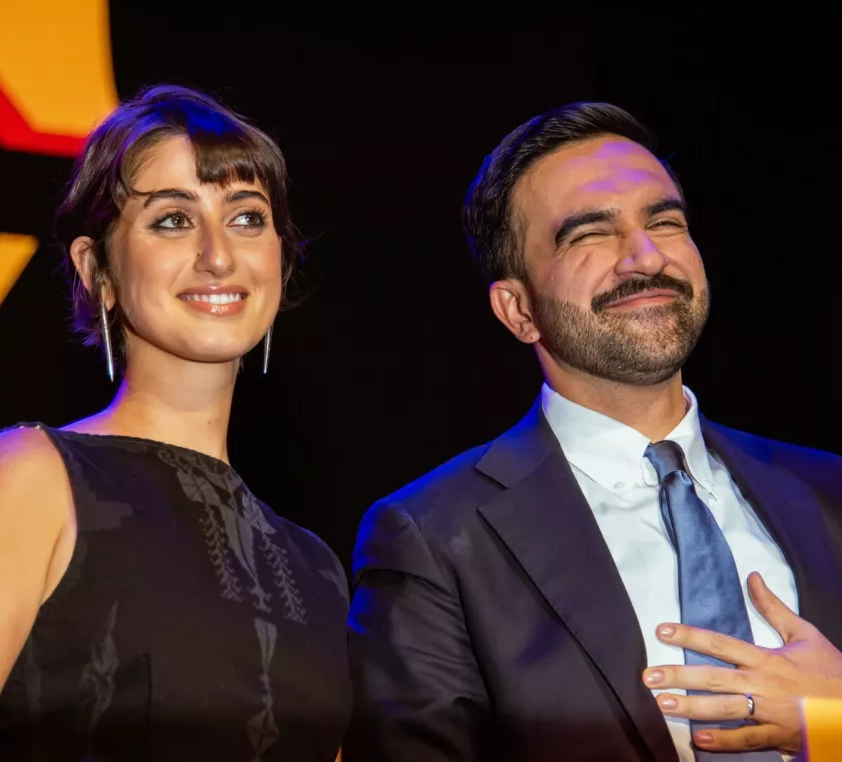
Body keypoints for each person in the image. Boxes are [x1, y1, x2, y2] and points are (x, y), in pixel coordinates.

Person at [0, 85, 351, 762]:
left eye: (247, 217)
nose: (218, 254)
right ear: (97, 269)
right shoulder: (31, 478)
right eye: (172, 219)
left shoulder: (315, 567)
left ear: (280, 263)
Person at [346, 102, 842, 762]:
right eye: (589, 234)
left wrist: (834, 723)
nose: (644, 256)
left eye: (665, 222)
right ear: (518, 309)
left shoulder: (829, 492)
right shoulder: (434, 538)